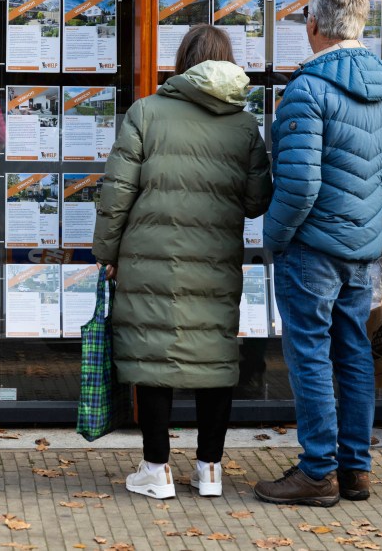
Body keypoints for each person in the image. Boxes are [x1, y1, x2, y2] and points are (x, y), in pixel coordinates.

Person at [253, 0, 382, 507]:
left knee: (309, 355)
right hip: (366, 248)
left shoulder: (308, 88)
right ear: (362, 22)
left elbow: (299, 184)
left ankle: (317, 471)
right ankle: (355, 470)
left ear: (313, 24)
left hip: (312, 248)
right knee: (353, 353)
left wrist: (273, 236)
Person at [92, 25, 273, 500]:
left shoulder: (146, 113)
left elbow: (117, 196)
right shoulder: (244, 124)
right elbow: (257, 201)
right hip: (215, 261)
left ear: (182, 62)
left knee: (155, 356)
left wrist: (106, 254)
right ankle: (210, 470)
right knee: (214, 357)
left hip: (149, 258)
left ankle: (156, 470)